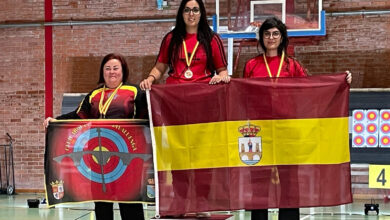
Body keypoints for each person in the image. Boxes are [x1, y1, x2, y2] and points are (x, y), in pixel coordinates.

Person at [243, 17, 352, 220]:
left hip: (287, 130)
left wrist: (340, 82)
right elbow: (242, 94)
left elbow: (310, 90)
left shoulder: (292, 66)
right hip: (260, 132)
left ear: (283, 37)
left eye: (276, 33)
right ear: (261, 37)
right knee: (259, 182)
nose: (271, 37)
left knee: (289, 182)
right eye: (267, 34)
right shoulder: (251, 65)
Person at [44, 53, 147, 220]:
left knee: (130, 202)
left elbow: (147, 117)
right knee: (102, 203)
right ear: (102, 72)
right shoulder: (94, 94)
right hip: (99, 157)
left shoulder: (135, 91)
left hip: (126, 158)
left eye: (115, 68)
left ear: (123, 71)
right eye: (107, 68)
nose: (111, 72)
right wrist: (56, 120)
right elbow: (79, 115)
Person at [140, 0, 230, 90]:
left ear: (201, 13)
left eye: (195, 10)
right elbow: (159, 68)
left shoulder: (212, 39)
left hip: (203, 92)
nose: (191, 14)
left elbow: (222, 70)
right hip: (174, 93)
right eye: (187, 10)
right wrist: (149, 79)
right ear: (181, 13)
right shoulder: (171, 38)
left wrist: (220, 77)